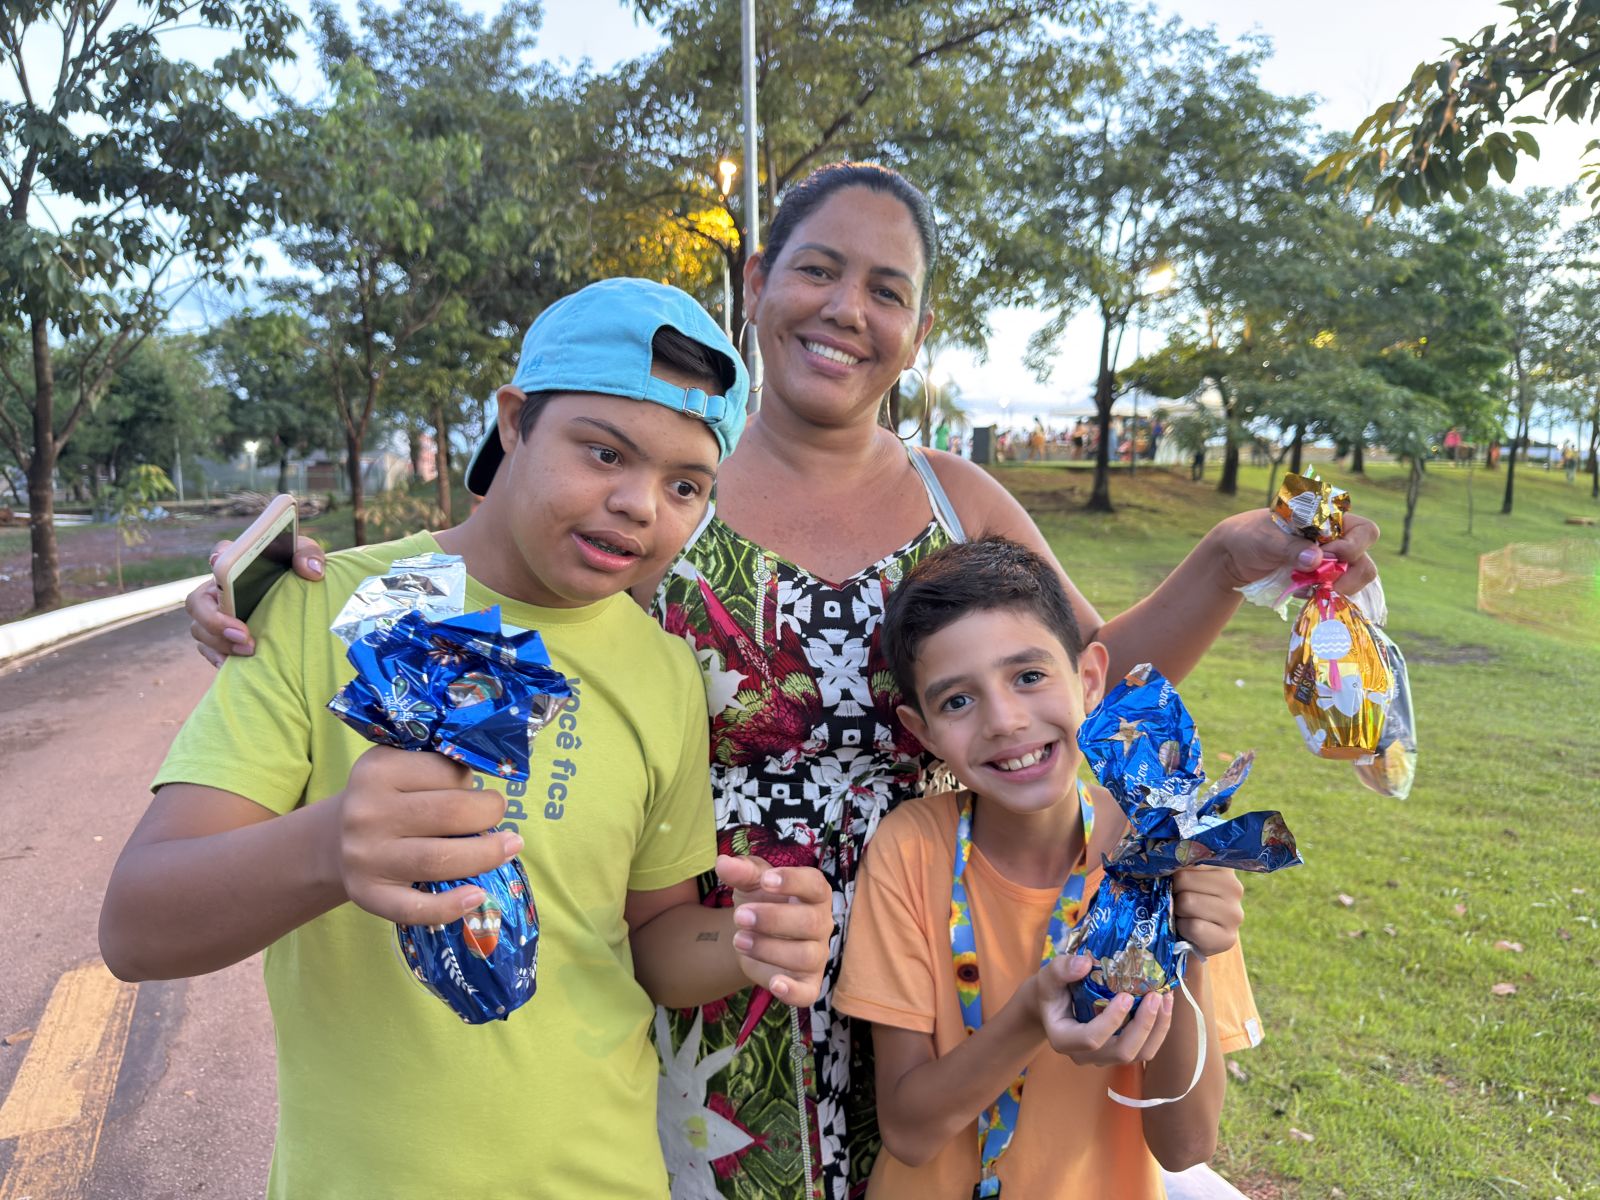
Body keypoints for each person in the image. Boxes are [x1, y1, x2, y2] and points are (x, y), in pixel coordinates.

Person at [187, 162, 1378, 1200]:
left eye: (889, 291)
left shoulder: (958, 499)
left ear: (916, 329)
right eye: (819, 270)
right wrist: (269, 592)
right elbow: (480, 598)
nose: (847, 311)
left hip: (947, 953)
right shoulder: (659, 492)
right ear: (757, 283)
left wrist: (1224, 565)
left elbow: (1085, 682)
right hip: (716, 952)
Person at [104, 279, 835, 1200]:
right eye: (604, 452)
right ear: (517, 422)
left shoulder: (662, 673)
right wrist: (329, 848)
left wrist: (752, 939)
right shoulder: (324, 606)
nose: (641, 505)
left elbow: (648, 947)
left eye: (685, 485)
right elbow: (136, 926)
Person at [836, 537, 1243, 1197]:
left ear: (1089, 680)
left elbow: (1185, 1146)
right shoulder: (912, 850)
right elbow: (908, 1132)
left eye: (1029, 676)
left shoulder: (1164, 845)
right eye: (958, 701)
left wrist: (1190, 949)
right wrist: (1031, 1016)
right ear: (922, 731)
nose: (1005, 720)